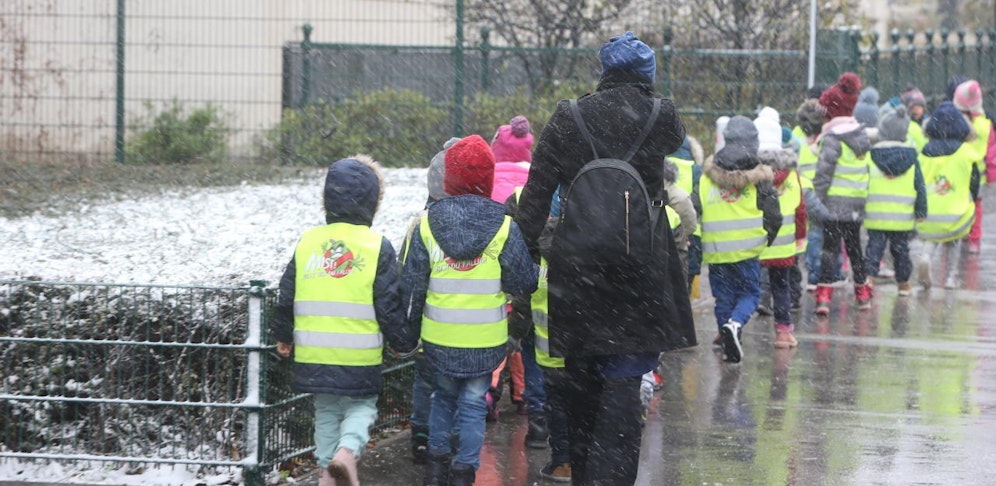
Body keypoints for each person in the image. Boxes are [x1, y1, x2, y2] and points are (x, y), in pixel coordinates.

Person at [513, 31, 695, 485]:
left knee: (580, 383)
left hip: (578, 270)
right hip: (640, 270)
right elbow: (677, 138)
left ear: (604, 71)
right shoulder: (660, 115)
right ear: (647, 75)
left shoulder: (568, 117)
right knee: (625, 381)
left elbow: (534, 199)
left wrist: (522, 262)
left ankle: (583, 470)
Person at [271, 155, 418, 486]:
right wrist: (402, 343)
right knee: (361, 407)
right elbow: (388, 305)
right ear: (372, 203)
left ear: (327, 199)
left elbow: (286, 293)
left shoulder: (308, 241)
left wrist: (284, 335)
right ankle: (346, 454)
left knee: (326, 412)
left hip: (313, 354)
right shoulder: (377, 246)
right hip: (358, 356)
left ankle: (327, 471)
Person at [401, 134, 537, 486]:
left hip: (439, 338)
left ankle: (435, 466)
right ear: (488, 180)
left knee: (442, 398)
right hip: (485, 341)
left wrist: (406, 335)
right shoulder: (504, 225)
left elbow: (413, 284)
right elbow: (524, 282)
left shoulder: (428, 224)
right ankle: (464, 470)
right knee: (475, 404)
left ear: (449, 179)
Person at [696, 115, 781, 360]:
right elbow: (773, 215)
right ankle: (735, 325)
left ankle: (727, 340)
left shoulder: (707, 177)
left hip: (716, 251)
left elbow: (693, 208)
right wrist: (768, 239)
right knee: (750, 295)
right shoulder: (760, 178)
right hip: (747, 251)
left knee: (723, 297)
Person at [401, 137, 459, 464]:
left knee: (424, 381)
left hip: (426, 326)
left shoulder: (418, 225)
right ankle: (448, 438)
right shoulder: (479, 222)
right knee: (452, 387)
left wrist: (406, 328)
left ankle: (421, 436)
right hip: (463, 331)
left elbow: (407, 278)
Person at [813, 72, 873, 315]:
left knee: (830, 249)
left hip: (834, 204)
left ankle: (825, 295)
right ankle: (862, 292)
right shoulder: (860, 136)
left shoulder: (832, 138)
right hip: (856, 203)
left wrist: (816, 198)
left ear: (831, 112)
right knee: (855, 248)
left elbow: (824, 173)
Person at [487, 115, 534, 420]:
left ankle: (490, 392)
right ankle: (524, 393)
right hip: (528, 258)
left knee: (499, 329)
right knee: (522, 327)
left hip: (495, 258)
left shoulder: (488, 177)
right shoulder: (536, 178)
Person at [754, 108, 806, 348]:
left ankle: (730, 328)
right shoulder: (792, 173)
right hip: (783, 242)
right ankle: (783, 332)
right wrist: (800, 237)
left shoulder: (749, 171)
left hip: (754, 239)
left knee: (746, 286)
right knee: (781, 286)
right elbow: (800, 208)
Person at [916, 101, 981, 290]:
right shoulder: (966, 151)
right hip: (955, 209)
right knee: (953, 240)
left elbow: (918, 179)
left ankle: (926, 257)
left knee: (931, 238)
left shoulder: (924, 152)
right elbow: (974, 180)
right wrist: (971, 198)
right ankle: (951, 278)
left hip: (930, 210)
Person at [863, 105, 926, 297]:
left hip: (875, 215)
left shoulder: (870, 156)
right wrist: (921, 211)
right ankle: (904, 283)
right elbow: (919, 186)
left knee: (874, 249)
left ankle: (868, 278)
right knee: (901, 252)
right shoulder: (911, 158)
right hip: (902, 217)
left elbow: (863, 183)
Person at [953, 80, 996, 254]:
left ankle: (958, 232)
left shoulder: (957, 124)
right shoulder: (986, 125)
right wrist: (992, 176)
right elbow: (991, 153)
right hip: (978, 174)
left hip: (959, 171)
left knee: (958, 203)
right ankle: (974, 238)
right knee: (976, 206)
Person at [900, 85, 929, 151]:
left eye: (920, 107)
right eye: (913, 108)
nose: (917, 110)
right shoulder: (903, 126)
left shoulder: (928, 125)